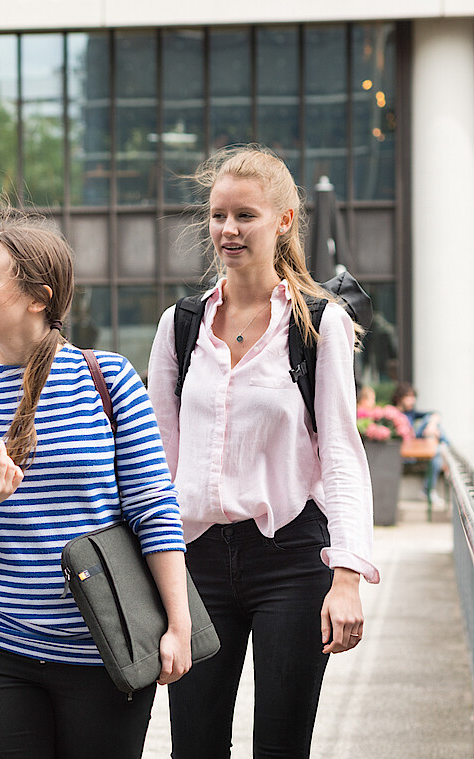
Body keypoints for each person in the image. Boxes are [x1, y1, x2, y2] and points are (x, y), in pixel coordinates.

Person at [0, 197, 192, 759]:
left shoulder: (109, 379)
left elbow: (154, 509)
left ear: (38, 297)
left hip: (105, 647)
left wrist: (177, 624)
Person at [147, 145, 381, 759]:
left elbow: (341, 453)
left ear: (283, 221)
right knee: (194, 746)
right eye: (218, 215)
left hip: (292, 558)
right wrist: (155, 567)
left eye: (245, 216)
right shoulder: (179, 325)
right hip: (196, 559)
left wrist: (348, 577)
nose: (228, 229)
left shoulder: (318, 323)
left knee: (281, 744)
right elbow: (158, 460)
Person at [392, 382, 448, 501]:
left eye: (413, 397)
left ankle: (443, 447)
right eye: (409, 397)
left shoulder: (411, 413)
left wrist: (431, 425)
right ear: (399, 398)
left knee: (431, 423)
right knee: (436, 451)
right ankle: (445, 447)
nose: (412, 400)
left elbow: (435, 414)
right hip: (405, 450)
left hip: (414, 445)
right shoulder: (393, 414)